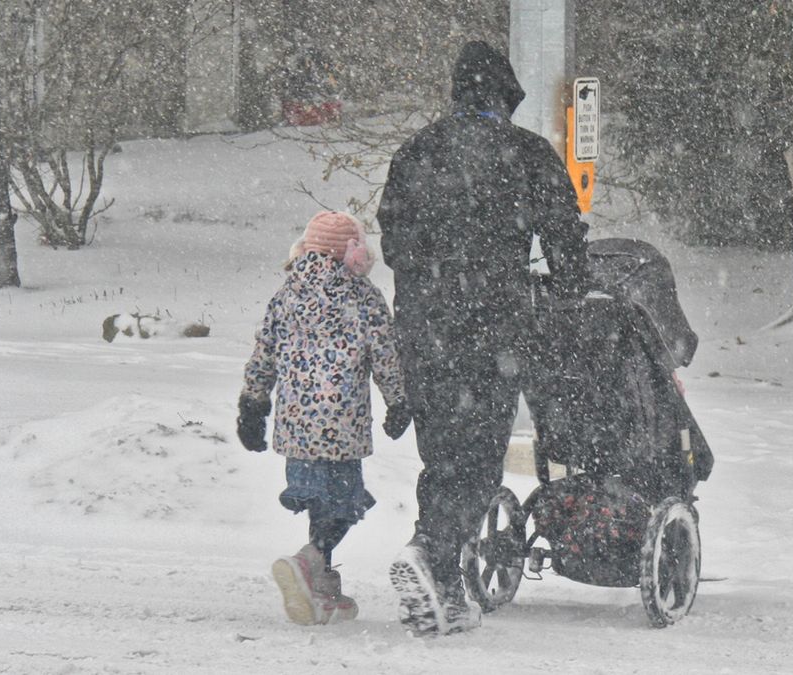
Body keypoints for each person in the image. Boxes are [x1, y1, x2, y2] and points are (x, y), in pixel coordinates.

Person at [377, 40, 590, 636]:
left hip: (422, 328)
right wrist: (565, 286)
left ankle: (440, 588)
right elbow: (564, 236)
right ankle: (428, 550)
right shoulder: (526, 153)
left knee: (442, 455)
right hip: (489, 328)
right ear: (507, 96)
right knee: (474, 459)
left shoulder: (415, 151)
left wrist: (436, 280)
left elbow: (394, 245)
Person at [236, 210, 412, 626]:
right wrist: (398, 400)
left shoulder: (286, 294)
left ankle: (320, 586)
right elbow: (385, 355)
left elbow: (264, 352)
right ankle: (307, 562)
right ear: (352, 253)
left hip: (296, 426)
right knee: (345, 506)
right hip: (342, 426)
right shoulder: (362, 296)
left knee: (321, 503)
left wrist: (253, 404)